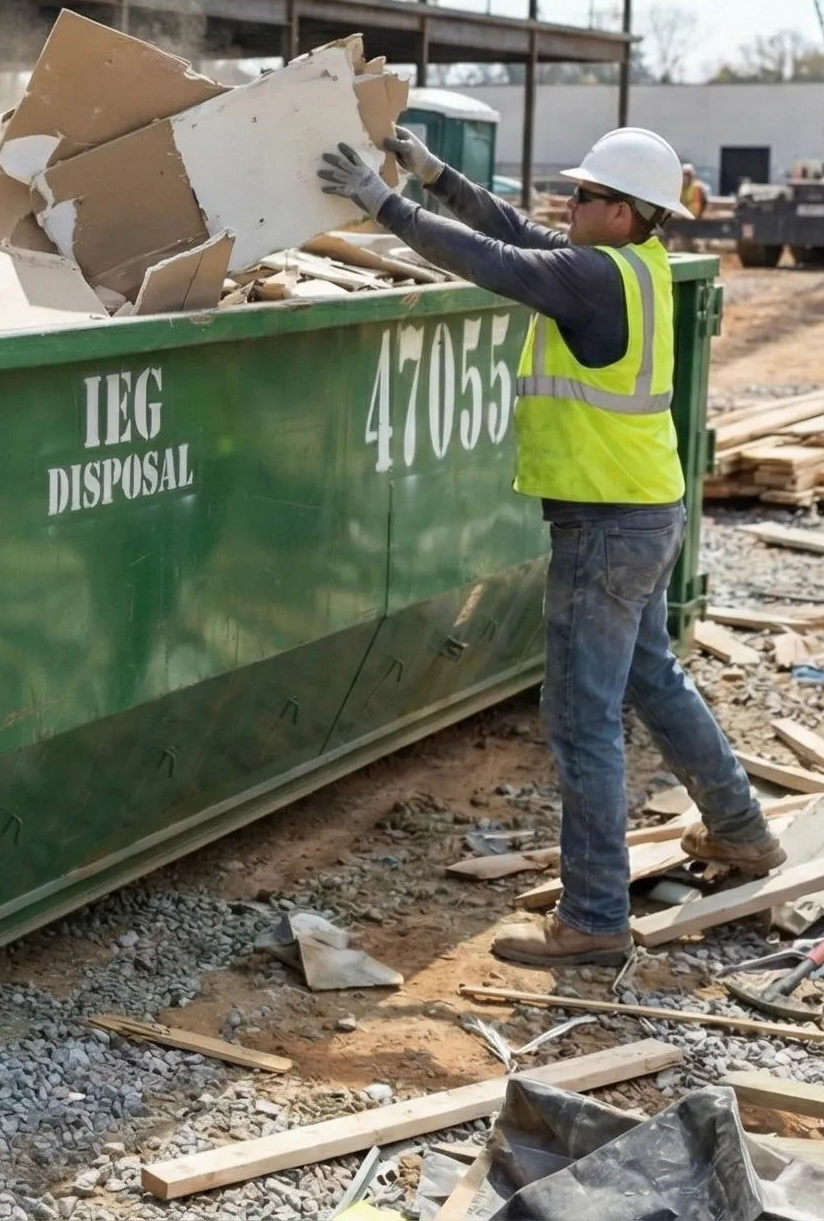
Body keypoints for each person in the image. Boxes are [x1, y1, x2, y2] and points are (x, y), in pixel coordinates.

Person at [319, 126, 784, 967]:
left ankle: (596, 919)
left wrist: (381, 202)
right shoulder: (629, 267)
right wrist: (435, 174)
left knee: (582, 720)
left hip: (605, 524)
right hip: (646, 510)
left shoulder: (592, 279)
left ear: (625, 211)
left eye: (585, 195)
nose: (569, 204)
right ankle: (742, 831)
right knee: (653, 678)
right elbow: (511, 231)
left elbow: (488, 261)